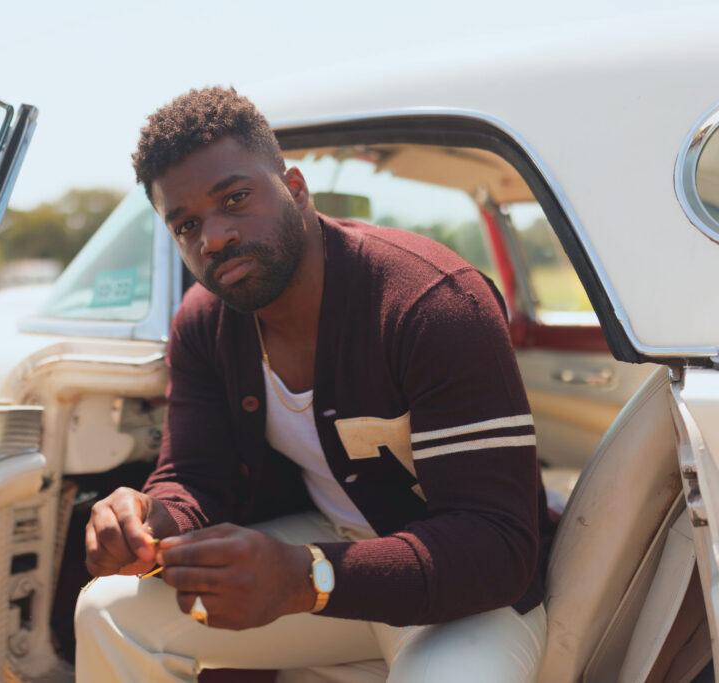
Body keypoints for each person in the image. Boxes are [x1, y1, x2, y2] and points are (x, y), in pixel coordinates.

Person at [74, 86, 551, 682]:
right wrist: (150, 520)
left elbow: (498, 545)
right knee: (107, 610)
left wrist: (307, 577)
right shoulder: (203, 323)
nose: (213, 237)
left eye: (236, 198)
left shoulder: (431, 302)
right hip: (325, 553)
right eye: (186, 224)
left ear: (295, 189)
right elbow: (195, 476)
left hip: (468, 593)